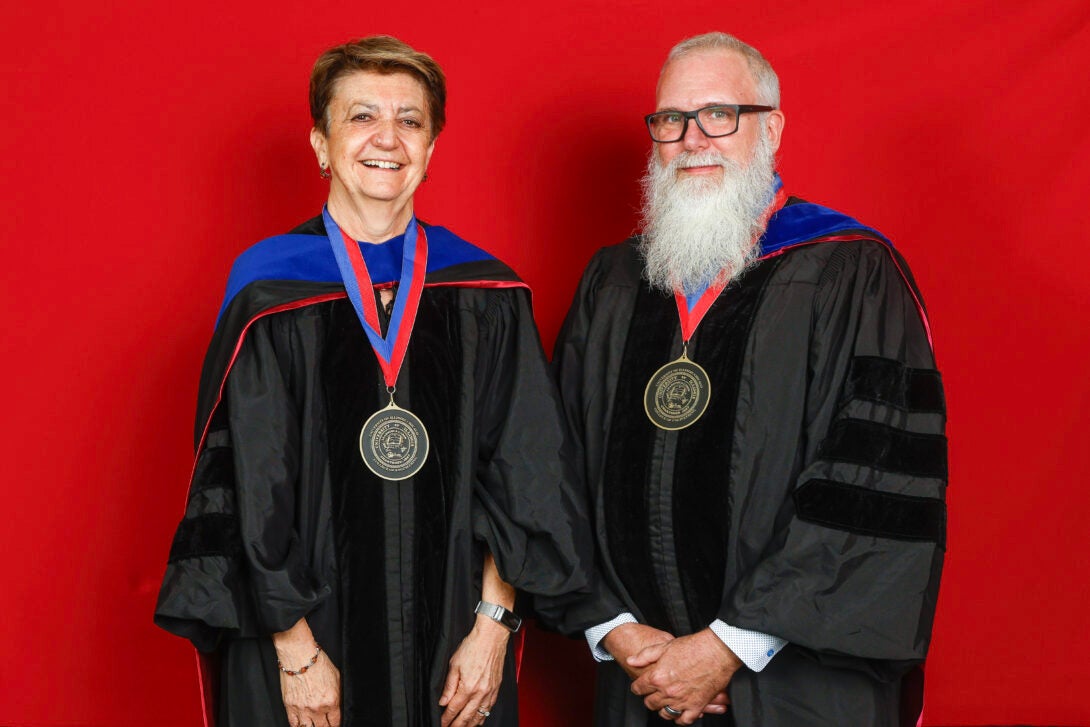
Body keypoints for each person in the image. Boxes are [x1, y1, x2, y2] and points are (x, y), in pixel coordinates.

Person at [155, 36, 590, 727]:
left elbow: (526, 471)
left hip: (457, 636)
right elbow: (246, 484)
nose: (387, 138)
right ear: (321, 144)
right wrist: (295, 651)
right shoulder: (269, 290)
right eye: (361, 117)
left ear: (431, 147)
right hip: (301, 639)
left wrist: (491, 628)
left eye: (409, 121)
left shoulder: (484, 290)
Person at [553, 32, 947, 726]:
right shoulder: (615, 282)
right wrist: (612, 625)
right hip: (641, 677)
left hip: (795, 685)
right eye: (671, 119)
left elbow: (870, 484)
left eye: (720, 114)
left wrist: (728, 646)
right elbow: (556, 467)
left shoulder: (849, 272)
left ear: (772, 126)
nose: (692, 138)